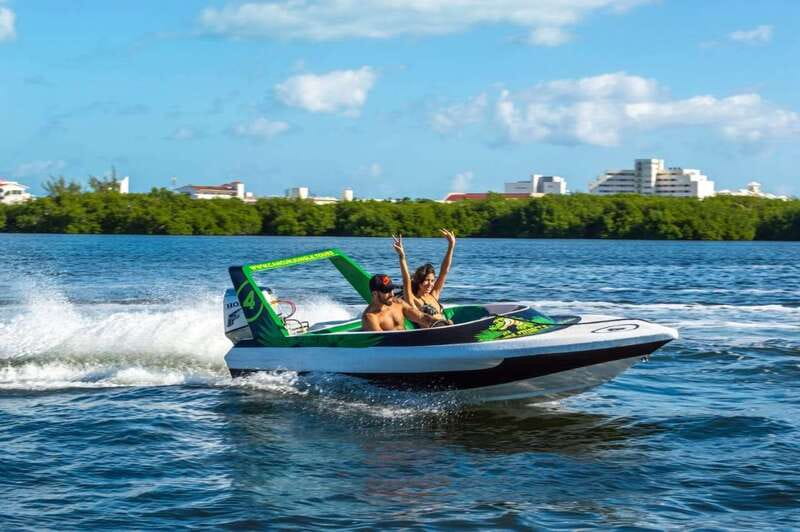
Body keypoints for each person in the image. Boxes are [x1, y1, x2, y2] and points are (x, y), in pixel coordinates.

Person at [392, 229, 455, 326]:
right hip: (432, 332)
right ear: (419, 282)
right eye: (427, 280)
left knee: (450, 322)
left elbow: (444, 272)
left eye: (432, 280)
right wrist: (402, 256)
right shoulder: (413, 300)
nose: (430, 284)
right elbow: (406, 280)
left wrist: (451, 245)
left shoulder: (434, 295)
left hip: (447, 327)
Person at [362, 274, 437, 331]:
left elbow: (421, 317)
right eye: (386, 291)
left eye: (391, 289)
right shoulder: (370, 317)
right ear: (374, 294)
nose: (392, 294)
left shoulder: (398, 303)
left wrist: (441, 323)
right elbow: (382, 343)